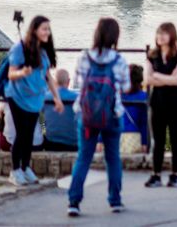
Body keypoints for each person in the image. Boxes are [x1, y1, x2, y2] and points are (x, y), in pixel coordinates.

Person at [67, 17, 131, 218]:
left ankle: (74, 202)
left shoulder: (84, 57)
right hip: (112, 114)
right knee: (112, 158)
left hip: (86, 115)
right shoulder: (119, 60)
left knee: (83, 158)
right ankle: (115, 200)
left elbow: (77, 83)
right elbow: (126, 87)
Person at [6, 15, 64, 186]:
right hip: (17, 96)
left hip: (34, 99)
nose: (47, 32)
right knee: (22, 134)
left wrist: (57, 98)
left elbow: (48, 77)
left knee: (29, 135)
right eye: (44, 28)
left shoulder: (43, 52)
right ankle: (15, 170)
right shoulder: (19, 49)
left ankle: (25, 167)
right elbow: (11, 73)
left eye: (48, 29)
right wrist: (22, 73)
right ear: (35, 30)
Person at [144, 22, 177, 188]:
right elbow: (147, 79)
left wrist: (157, 76)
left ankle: (175, 174)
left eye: (164, 33)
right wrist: (167, 78)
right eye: (158, 33)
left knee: (176, 139)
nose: (160, 36)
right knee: (158, 140)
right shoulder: (152, 55)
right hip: (158, 103)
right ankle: (156, 174)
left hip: (176, 103)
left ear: (172, 36)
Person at [42, 69, 79, 152]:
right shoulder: (78, 98)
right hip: (72, 144)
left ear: (55, 82)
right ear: (69, 81)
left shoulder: (45, 98)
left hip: (51, 143)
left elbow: (42, 119)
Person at [120, 64, 149, 154]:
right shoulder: (144, 97)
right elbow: (144, 123)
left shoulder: (117, 96)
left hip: (122, 136)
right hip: (132, 137)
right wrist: (145, 142)